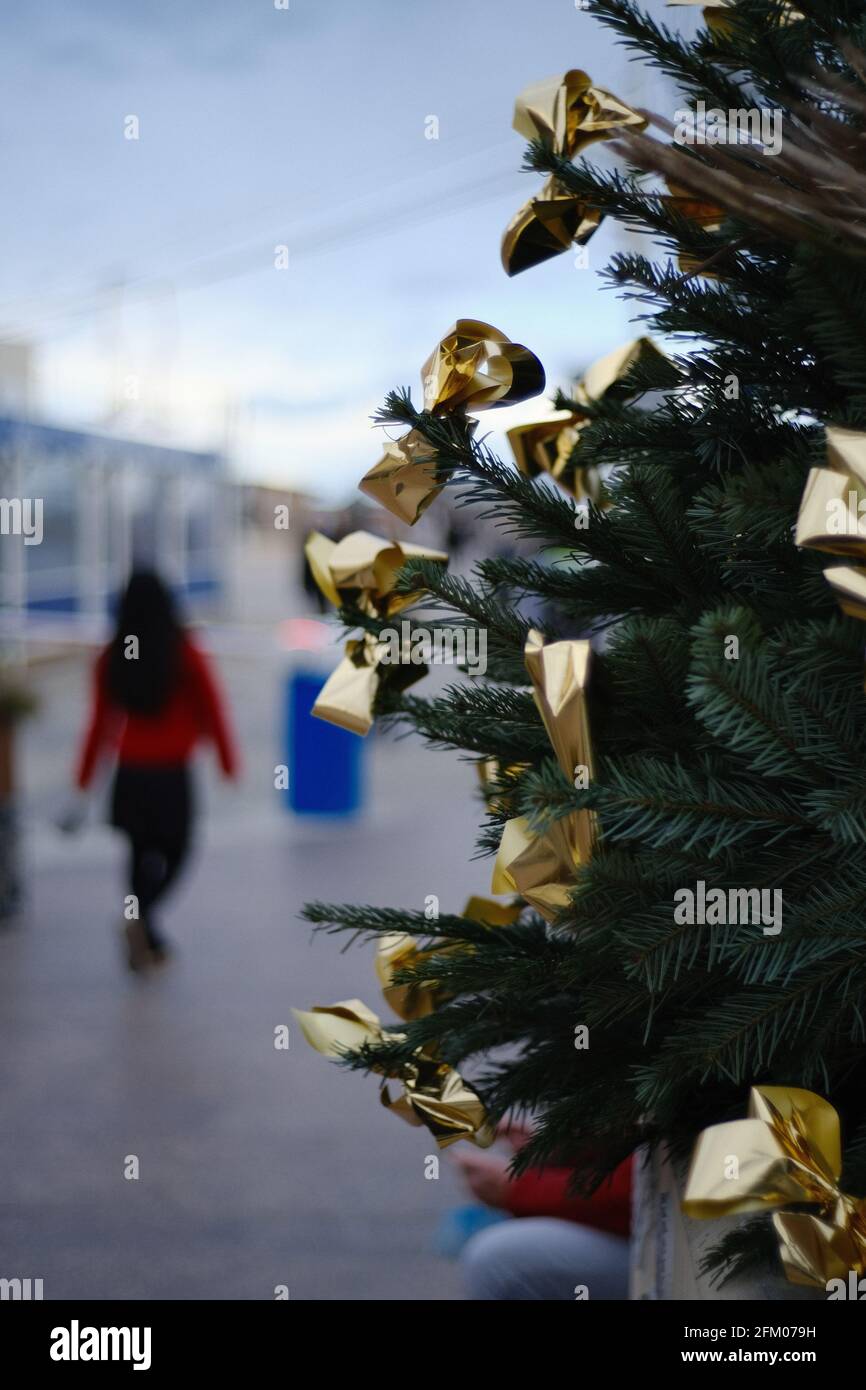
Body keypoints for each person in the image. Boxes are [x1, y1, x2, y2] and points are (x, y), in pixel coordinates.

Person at [74, 570, 238, 971]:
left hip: (130, 772)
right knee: (179, 849)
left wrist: (83, 777)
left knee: (137, 851)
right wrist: (226, 760)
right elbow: (213, 706)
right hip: (171, 772)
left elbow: (99, 721)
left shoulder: (111, 656)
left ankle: (143, 925)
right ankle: (142, 920)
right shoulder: (183, 651)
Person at [453, 1121, 632, 1300]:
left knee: (498, 1261)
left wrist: (520, 1189)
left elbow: (633, 1192)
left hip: (652, 1249)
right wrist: (560, 1152)